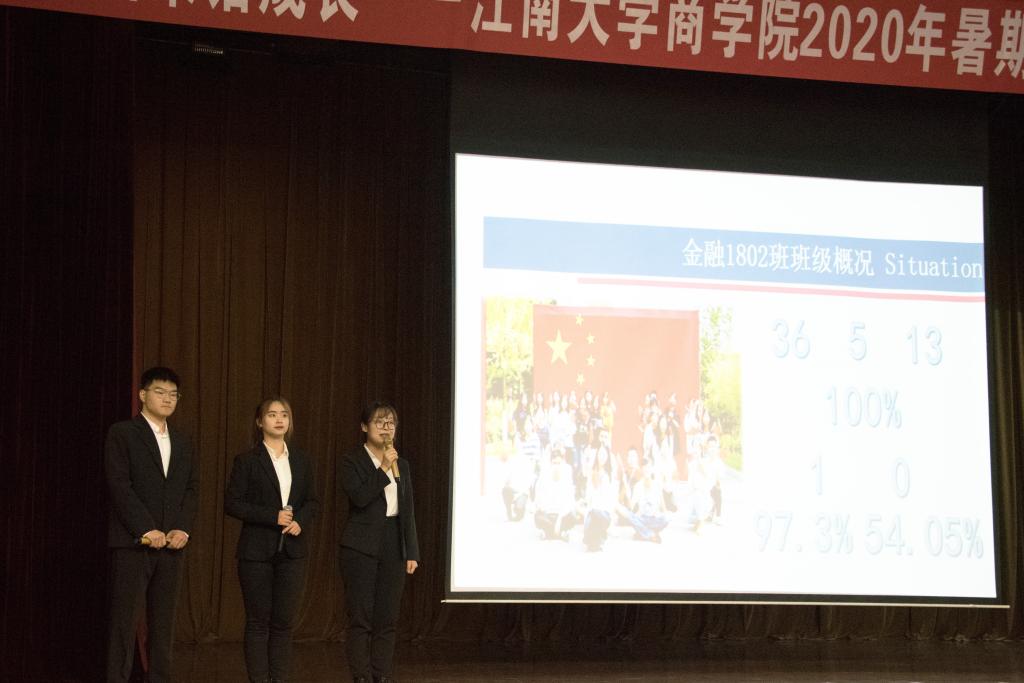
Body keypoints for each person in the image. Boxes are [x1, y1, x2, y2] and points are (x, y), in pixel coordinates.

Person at [105, 366, 199, 683]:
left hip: (172, 544)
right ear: (143, 395)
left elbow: (192, 489)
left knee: (164, 623)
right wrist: (146, 528)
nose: (168, 399)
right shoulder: (123, 433)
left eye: (173, 394)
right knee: (124, 621)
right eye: (160, 392)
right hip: (134, 542)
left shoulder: (183, 440)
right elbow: (119, 485)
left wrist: (182, 529)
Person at [226, 398, 319, 683]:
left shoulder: (301, 460)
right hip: (256, 551)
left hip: (292, 552)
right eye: (272, 414)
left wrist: (299, 520)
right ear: (259, 422)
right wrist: (272, 517)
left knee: (283, 623)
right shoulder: (247, 460)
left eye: (284, 415)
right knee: (258, 622)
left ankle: (278, 678)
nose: (279, 420)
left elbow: (313, 501)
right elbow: (232, 504)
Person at [337, 401, 420, 683]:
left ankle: (381, 675)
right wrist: (383, 468)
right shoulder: (352, 461)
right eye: (379, 422)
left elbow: (407, 510)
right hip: (360, 544)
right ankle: (361, 676)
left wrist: (411, 550)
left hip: (394, 542)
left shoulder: (402, 465)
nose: (386, 428)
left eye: (391, 423)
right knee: (361, 617)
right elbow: (360, 498)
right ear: (364, 427)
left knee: (387, 617)